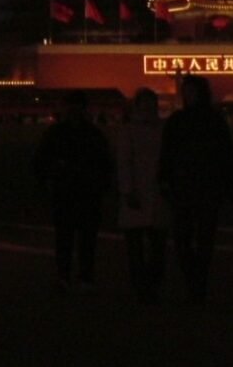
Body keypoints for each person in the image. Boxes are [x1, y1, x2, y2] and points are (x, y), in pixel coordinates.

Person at [159, 75, 233, 304]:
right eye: (186, 92)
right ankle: (196, 281)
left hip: (204, 188)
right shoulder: (183, 121)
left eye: (192, 92)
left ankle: (197, 285)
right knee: (184, 241)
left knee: (202, 240)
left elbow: (227, 156)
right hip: (187, 188)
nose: (188, 96)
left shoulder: (206, 121)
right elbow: (166, 154)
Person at [32, 90, 114, 292]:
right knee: (82, 238)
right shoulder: (92, 134)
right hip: (80, 192)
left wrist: (49, 178)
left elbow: (41, 161)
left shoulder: (58, 133)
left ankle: (67, 276)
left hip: (71, 191)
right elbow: (105, 164)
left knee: (68, 237)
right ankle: (82, 277)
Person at [117, 88, 169, 303]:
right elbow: (124, 162)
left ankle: (150, 286)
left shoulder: (160, 130)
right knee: (138, 248)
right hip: (140, 192)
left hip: (156, 192)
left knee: (155, 248)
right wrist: (128, 190)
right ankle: (143, 287)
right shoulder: (131, 131)